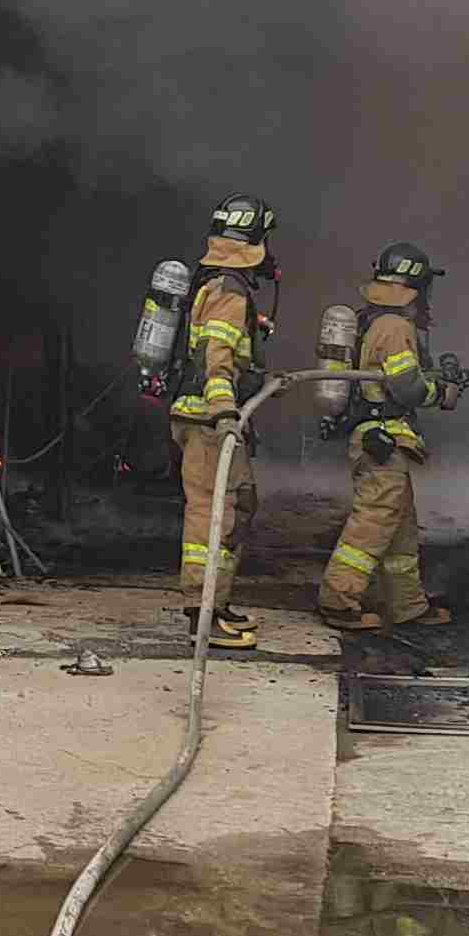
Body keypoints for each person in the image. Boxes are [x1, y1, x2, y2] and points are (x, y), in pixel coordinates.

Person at [318, 240, 468, 632]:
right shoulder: (395, 326)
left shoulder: (371, 319)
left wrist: (439, 378)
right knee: (373, 521)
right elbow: (407, 389)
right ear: (417, 285)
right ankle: (338, 599)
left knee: (399, 528)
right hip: (382, 439)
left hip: (382, 440)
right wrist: (443, 392)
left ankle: (408, 606)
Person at [169, 194, 279, 650]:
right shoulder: (230, 293)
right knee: (210, 514)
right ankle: (201, 615)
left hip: (210, 417)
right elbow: (215, 359)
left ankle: (217, 600)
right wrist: (226, 414)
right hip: (209, 421)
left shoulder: (218, 284)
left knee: (241, 504)